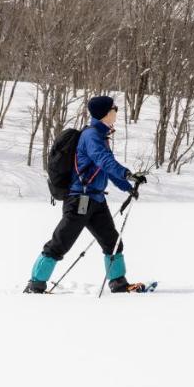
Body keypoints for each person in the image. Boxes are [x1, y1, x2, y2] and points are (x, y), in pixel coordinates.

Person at [24, 96, 149, 294]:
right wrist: (128, 173)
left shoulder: (101, 136)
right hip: (79, 200)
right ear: (105, 113)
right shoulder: (91, 136)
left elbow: (105, 169)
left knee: (113, 242)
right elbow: (104, 160)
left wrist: (128, 186)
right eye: (114, 109)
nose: (116, 112)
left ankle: (118, 283)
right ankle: (35, 284)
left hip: (96, 200)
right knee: (60, 243)